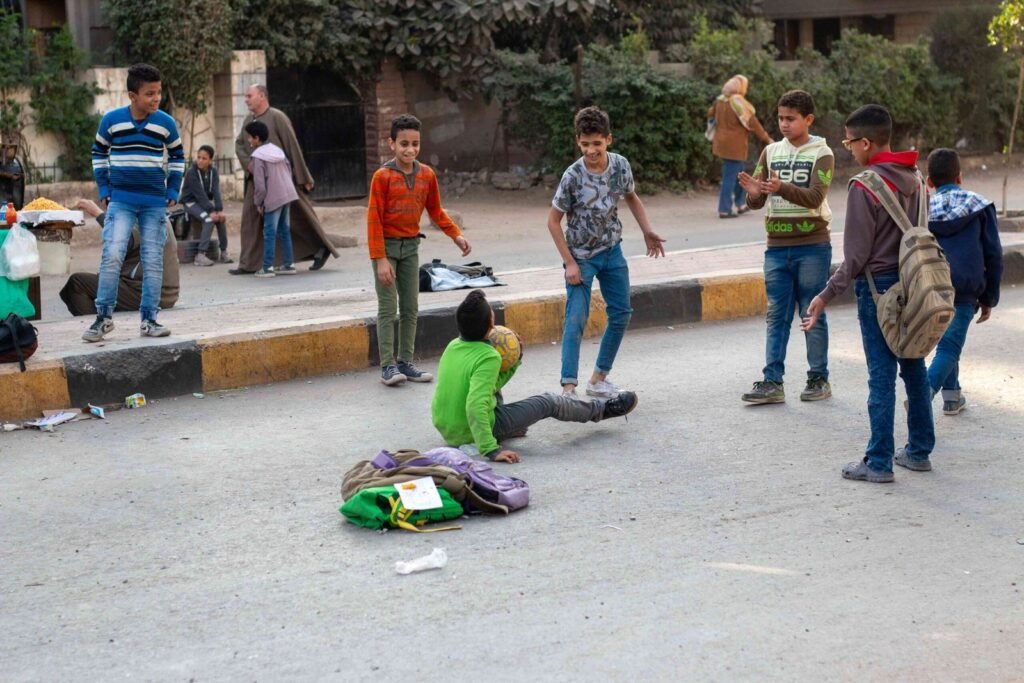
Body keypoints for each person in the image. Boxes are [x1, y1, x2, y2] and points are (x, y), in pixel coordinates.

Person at [802, 104, 934, 483]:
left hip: (878, 290)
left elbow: (856, 257)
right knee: (914, 367)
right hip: (914, 283)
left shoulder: (864, 186)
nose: (848, 149)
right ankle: (919, 451)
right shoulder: (916, 178)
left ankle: (878, 462)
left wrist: (826, 294)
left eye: (849, 143)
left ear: (865, 143)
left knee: (881, 375)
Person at [431, 289, 639, 463]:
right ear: (489, 325)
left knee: (484, 387)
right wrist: (490, 449)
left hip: (449, 428)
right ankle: (602, 410)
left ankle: (507, 429)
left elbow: (485, 387)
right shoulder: (489, 356)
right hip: (470, 429)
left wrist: (515, 361)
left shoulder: (453, 346)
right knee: (548, 402)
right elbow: (475, 405)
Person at [547, 106, 666, 399]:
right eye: (585, 144)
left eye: (597, 143)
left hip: (612, 251)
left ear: (608, 140)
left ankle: (598, 379)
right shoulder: (572, 176)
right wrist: (569, 263)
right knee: (576, 318)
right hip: (581, 257)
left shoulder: (620, 166)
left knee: (622, 313)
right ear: (578, 141)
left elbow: (631, 197)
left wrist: (647, 230)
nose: (591, 150)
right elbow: (553, 221)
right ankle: (568, 388)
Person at [737, 90, 834, 404]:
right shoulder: (770, 152)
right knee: (776, 315)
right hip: (776, 247)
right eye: (780, 118)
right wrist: (754, 194)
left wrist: (781, 187)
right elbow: (757, 200)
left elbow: (815, 197)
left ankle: (818, 378)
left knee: (811, 312)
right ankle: (772, 381)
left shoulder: (822, 153)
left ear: (808, 119)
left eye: (791, 119)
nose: (784, 124)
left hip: (813, 246)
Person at [367, 114, 472, 386]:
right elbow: (374, 220)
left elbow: (435, 211)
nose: (410, 150)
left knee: (410, 307)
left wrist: (456, 236)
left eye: (415, 144)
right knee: (388, 308)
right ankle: (388, 366)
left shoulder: (427, 175)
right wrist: (380, 259)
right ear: (391, 143)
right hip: (387, 249)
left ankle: (405, 361)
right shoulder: (382, 177)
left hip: (411, 248)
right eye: (404, 144)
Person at [85, 63, 184, 342]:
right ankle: (103, 318)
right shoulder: (112, 120)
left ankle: (149, 320)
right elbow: (98, 152)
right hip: (121, 201)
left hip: (154, 203)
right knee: (112, 255)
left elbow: (177, 156)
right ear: (132, 95)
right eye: (149, 94)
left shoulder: (165, 123)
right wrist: (104, 186)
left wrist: (173, 188)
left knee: (152, 260)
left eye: (158, 92)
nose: (156, 99)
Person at [924, 148, 1003, 415]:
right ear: (959, 177)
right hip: (964, 289)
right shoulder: (980, 207)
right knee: (949, 346)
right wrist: (989, 298)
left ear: (929, 181)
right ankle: (922, 397)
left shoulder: (921, 210)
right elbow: (993, 254)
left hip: (929, 288)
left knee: (948, 341)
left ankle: (952, 397)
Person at [232, 84, 338, 274]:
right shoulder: (249, 120)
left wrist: (303, 176)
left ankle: (320, 247)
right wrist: (249, 165)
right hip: (256, 179)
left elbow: (292, 146)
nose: (246, 100)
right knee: (250, 220)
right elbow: (239, 145)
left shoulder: (277, 117)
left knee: (300, 218)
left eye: (249, 96)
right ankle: (248, 264)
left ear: (262, 96)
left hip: (279, 180)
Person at [60, 199, 179, 316]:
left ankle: (95, 321)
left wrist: (98, 213)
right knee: (84, 287)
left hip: (151, 293)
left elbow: (125, 240)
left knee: (78, 283)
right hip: (151, 290)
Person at [707, 74, 773, 219]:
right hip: (735, 146)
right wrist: (767, 138)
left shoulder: (720, 100)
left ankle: (741, 204)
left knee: (739, 174)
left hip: (721, 144)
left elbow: (710, 113)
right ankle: (724, 209)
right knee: (729, 177)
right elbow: (753, 122)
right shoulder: (739, 103)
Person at [245, 120, 298, 278]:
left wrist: (258, 202)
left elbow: (260, 186)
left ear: (257, 138)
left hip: (273, 198)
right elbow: (288, 170)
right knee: (285, 231)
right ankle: (289, 264)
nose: (248, 140)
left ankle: (267, 267)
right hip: (287, 194)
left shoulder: (258, 156)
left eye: (250, 137)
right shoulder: (277, 151)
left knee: (269, 233)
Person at [179, 144, 231, 266]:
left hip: (203, 203)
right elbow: (199, 194)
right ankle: (200, 255)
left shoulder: (214, 172)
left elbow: (216, 191)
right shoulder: (191, 172)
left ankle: (224, 252)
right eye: (198, 157)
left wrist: (219, 210)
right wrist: (211, 211)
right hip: (190, 203)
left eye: (204, 158)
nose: (200, 161)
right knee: (209, 220)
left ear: (210, 160)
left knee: (220, 219)